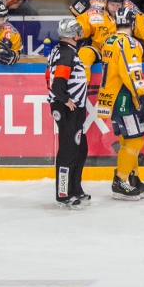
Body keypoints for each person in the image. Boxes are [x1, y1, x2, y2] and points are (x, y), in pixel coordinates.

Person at [96, 8, 144, 201]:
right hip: (124, 98)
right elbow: (131, 73)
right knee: (135, 140)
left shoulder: (108, 41)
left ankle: (132, 177)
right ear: (132, 23)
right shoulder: (129, 43)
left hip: (109, 98)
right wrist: (142, 98)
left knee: (125, 140)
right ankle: (121, 180)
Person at [75, 0, 144, 80]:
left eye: (118, 5)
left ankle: (136, 89)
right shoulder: (94, 13)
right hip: (99, 52)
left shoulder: (131, 13)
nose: (115, 9)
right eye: (112, 5)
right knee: (84, 53)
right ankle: (81, 89)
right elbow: (77, 29)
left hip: (122, 53)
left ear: (123, 3)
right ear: (106, 2)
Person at [47, 18, 89, 209]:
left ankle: (75, 188)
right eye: (78, 31)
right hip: (67, 109)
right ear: (73, 34)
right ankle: (64, 193)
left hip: (72, 108)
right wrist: (65, 100)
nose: (80, 34)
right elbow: (57, 83)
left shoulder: (63, 50)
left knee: (80, 148)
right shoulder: (66, 54)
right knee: (69, 150)